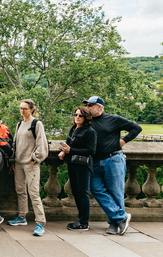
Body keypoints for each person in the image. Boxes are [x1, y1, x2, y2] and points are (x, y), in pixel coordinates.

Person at [83, 96, 142, 235]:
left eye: (90, 105)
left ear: (99, 107)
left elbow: (136, 128)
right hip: (95, 161)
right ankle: (121, 217)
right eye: (87, 105)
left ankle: (114, 224)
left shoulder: (113, 119)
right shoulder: (87, 122)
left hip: (113, 160)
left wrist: (124, 141)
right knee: (96, 189)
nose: (87, 107)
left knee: (116, 192)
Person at [8, 99, 48, 236]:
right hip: (19, 162)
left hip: (30, 164)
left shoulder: (37, 123)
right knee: (20, 191)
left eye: (25, 108)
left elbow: (41, 143)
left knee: (34, 193)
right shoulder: (19, 124)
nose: (22, 111)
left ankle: (40, 223)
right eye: (20, 108)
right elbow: (15, 143)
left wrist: (34, 159)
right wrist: (13, 161)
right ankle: (22, 217)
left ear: (32, 109)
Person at [58, 106, 97, 231]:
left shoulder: (90, 131)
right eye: (75, 115)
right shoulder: (74, 129)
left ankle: (84, 222)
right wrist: (64, 151)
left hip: (83, 166)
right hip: (72, 163)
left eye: (80, 115)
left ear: (86, 117)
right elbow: (70, 143)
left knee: (83, 194)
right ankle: (80, 219)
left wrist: (71, 150)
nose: (77, 117)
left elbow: (91, 150)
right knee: (75, 192)